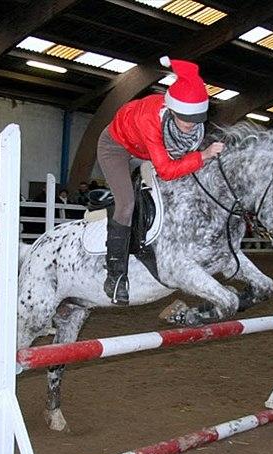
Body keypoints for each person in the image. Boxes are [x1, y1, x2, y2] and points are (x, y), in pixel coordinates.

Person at [96, 56, 224, 305]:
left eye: (197, 120)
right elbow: (166, 170)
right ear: (173, 109)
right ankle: (115, 275)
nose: (191, 126)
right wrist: (204, 156)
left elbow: (185, 161)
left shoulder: (191, 126)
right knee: (126, 204)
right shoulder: (149, 120)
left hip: (147, 152)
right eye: (186, 119)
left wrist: (206, 157)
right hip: (117, 148)